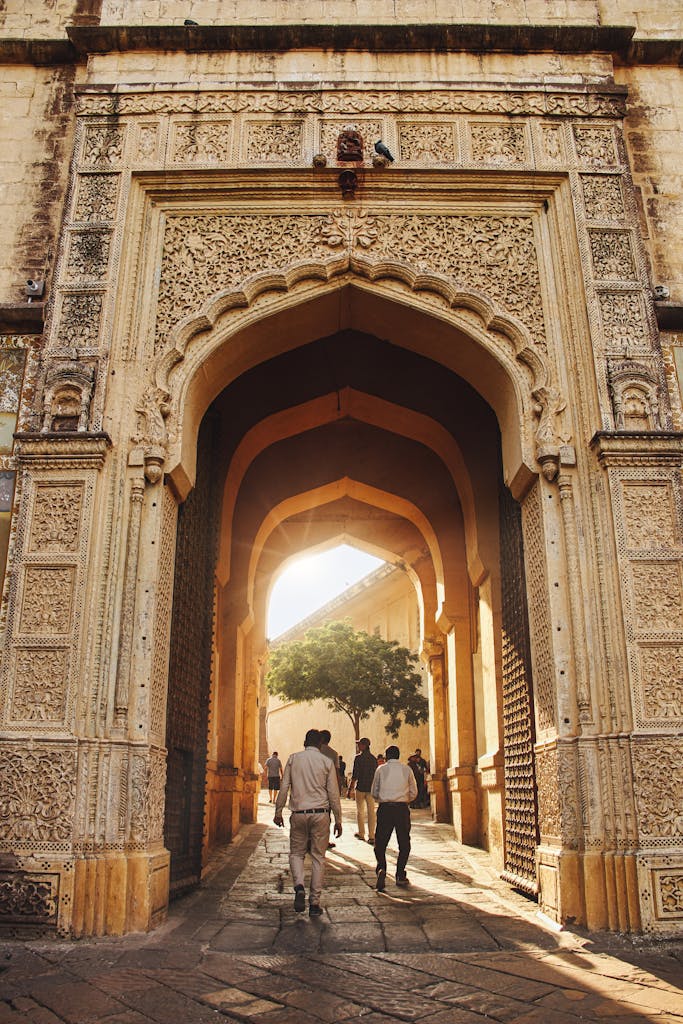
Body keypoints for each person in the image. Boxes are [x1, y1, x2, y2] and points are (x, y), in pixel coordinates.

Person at [274, 728, 342, 917]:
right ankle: (314, 903)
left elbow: (284, 786)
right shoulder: (327, 762)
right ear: (320, 744)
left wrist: (278, 811)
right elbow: (333, 794)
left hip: (298, 813)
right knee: (319, 858)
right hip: (320, 814)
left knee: (296, 854)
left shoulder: (293, 759)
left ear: (305, 742)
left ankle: (299, 886)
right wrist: (338, 819)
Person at [371, 745, 418, 890]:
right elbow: (413, 791)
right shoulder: (406, 769)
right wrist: (405, 800)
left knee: (380, 843)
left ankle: (382, 868)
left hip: (385, 809)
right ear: (398, 756)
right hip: (401, 809)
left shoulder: (381, 770)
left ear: (386, 756)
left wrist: (383, 799)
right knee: (404, 843)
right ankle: (400, 874)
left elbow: (374, 791)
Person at [347, 737, 377, 844]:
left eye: (359, 744)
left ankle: (361, 833)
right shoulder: (373, 759)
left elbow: (355, 775)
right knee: (371, 812)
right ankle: (372, 835)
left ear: (364, 745)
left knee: (360, 812)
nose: (358, 746)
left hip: (360, 788)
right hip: (371, 788)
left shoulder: (358, 758)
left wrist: (350, 788)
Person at [319, 729, 341, 848]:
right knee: (326, 816)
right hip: (328, 788)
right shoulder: (333, 753)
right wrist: (337, 788)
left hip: (315, 787)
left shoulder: (316, 751)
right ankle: (325, 841)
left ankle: (310, 840)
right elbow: (337, 773)